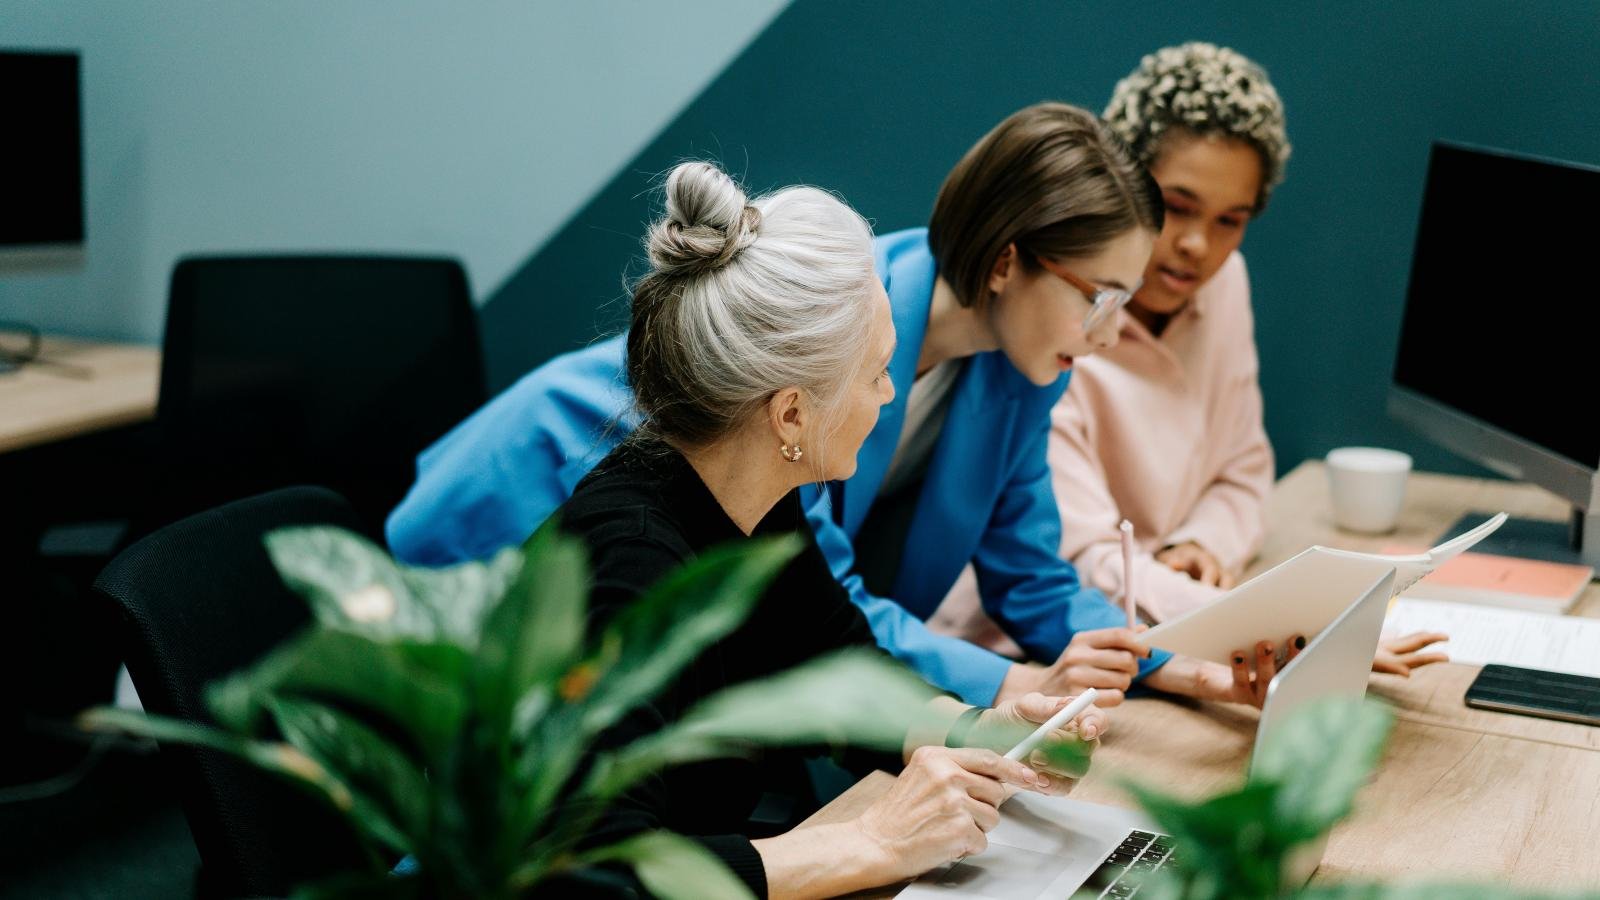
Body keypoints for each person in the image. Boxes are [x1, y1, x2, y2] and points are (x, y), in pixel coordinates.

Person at [388, 102, 1299, 708]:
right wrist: (1012, 689)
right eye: (1099, 298)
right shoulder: (838, 353)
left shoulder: (1025, 368)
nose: (1109, 336)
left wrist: (1186, 669)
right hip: (529, 498)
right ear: (1008, 261)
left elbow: (1033, 580)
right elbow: (836, 601)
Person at [568, 160, 1105, 899]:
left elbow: (843, 673)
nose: (890, 395)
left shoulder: (758, 500)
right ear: (790, 414)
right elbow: (591, 873)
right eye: (877, 371)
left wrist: (982, 732)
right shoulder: (629, 566)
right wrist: (869, 841)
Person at [934, 43, 1448, 677]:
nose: (1199, 247)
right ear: (1122, 185)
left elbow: (1243, 467)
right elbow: (1076, 562)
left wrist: (1200, 544)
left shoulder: (1225, 283)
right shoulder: (1048, 324)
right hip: (1028, 650)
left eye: (1230, 220)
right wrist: (1274, 625)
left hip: (1157, 628)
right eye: (1176, 208)